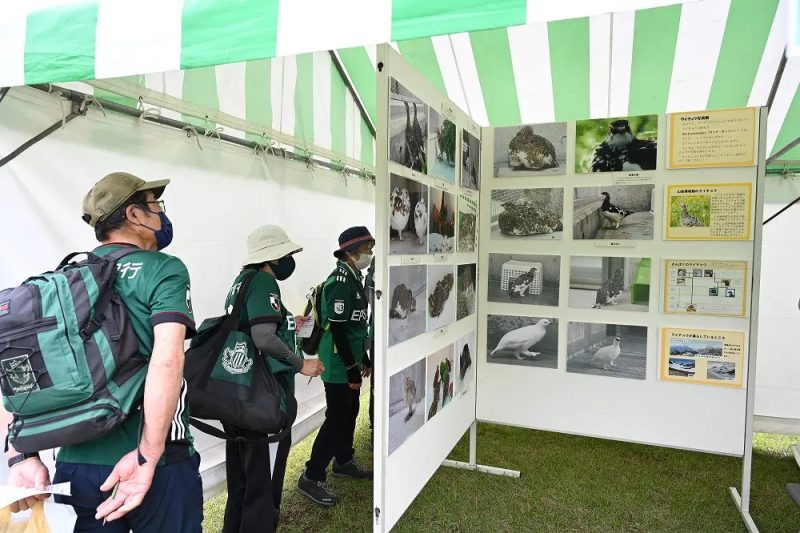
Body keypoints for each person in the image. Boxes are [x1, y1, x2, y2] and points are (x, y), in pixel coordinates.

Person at [2, 171, 202, 531]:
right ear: (135, 215)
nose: (161, 213)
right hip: (154, 462)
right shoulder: (163, 270)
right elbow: (168, 359)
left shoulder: (63, 282)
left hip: (76, 463)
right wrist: (148, 456)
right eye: (156, 204)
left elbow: (13, 369)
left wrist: (21, 456)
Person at [222, 225, 324, 533]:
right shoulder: (265, 282)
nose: (290, 260)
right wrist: (301, 364)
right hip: (264, 400)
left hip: (239, 395)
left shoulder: (242, 281)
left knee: (242, 479)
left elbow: (255, 324)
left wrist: (291, 321)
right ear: (274, 258)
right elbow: (263, 337)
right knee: (263, 482)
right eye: (287, 254)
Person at [297, 226, 374, 506]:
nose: (370, 254)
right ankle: (312, 476)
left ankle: (343, 460)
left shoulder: (353, 277)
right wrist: (352, 367)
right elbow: (339, 330)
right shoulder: (340, 282)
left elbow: (355, 326)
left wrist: (363, 358)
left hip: (350, 357)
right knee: (337, 417)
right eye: (367, 249)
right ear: (351, 252)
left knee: (350, 411)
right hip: (339, 363)